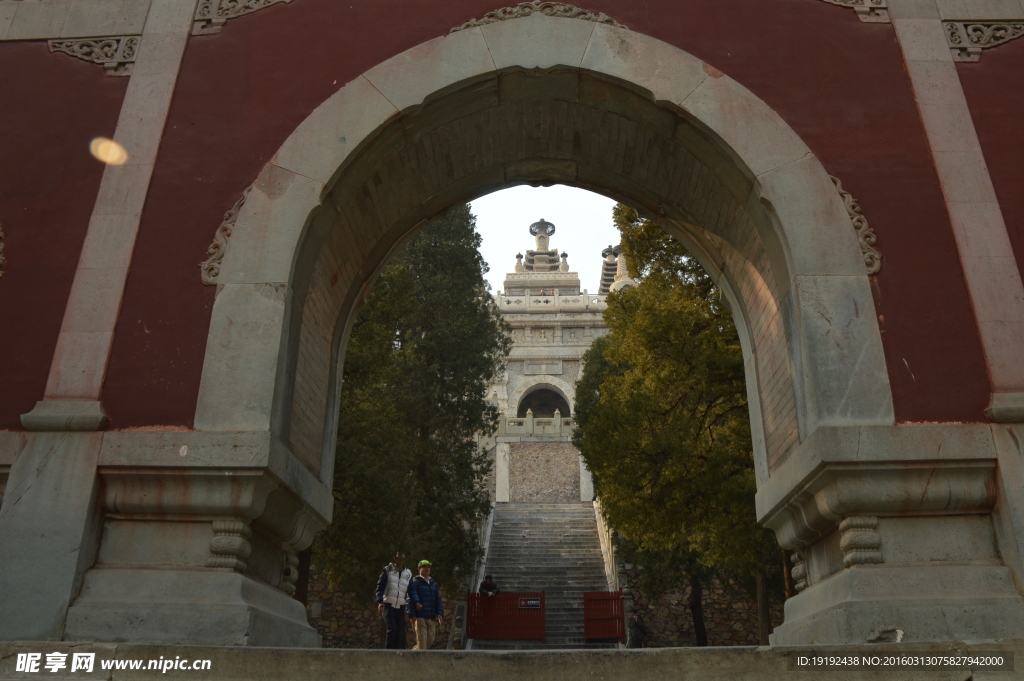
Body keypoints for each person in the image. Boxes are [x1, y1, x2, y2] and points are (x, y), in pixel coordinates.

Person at [375, 552, 412, 649]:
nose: (400, 560)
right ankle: (388, 654)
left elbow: (411, 590)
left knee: (399, 632)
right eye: (398, 558)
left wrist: (416, 602)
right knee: (392, 630)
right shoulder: (387, 570)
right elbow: (380, 587)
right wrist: (380, 601)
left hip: (400, 606)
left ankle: (397, 654)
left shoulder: (408, 573)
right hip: (388, 605)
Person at [407, 559, 444, 650]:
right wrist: (412, 614)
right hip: (420, 617)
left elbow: (437, 599)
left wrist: (440, 613)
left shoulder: (433, 584)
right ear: (419, 570)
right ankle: (419, 663)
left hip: (431, 616)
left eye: (428, 567)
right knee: (422, 642)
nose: (427, 569)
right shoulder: (415, 582)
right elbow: (410, 598)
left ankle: (410, 655)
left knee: (430, 640)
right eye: (424, 567)